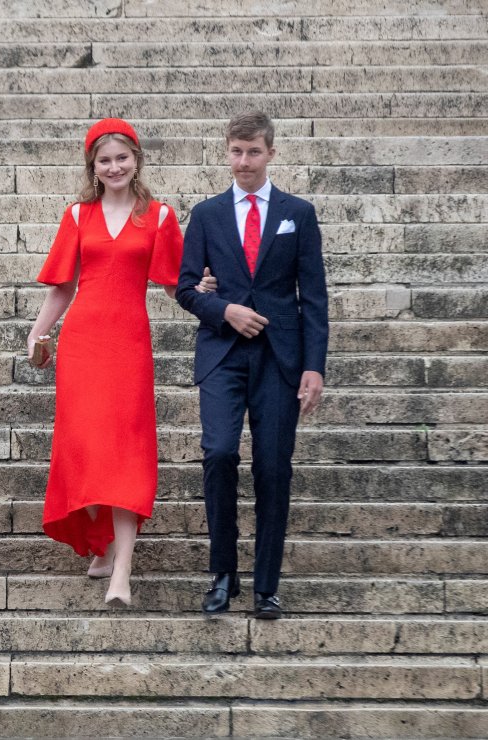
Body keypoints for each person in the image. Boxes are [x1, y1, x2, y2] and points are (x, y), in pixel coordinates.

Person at [176, 111, 329, 619]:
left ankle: (267, 585)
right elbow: (185, 289)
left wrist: (314, 367)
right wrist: (224, 310)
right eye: (236, 151)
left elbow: (315, 297)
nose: (244, 161)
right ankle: (223, 574)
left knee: (273, 466)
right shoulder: (206, 214)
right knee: (219, 453)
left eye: (254, 152)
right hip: (222, 354)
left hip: (280, 358)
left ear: (271, 153)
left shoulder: (297, 213)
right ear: (227, 152)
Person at [27, 118, 186, 607]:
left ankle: (122, 569)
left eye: (122, 158)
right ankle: (101, 541)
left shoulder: (159, 216)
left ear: (136, 160)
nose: (114, 167)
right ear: (92, 167)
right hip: (83, 344)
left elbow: (174, 284)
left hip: (129, 345)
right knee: (88, 448)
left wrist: (210, 292)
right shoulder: (78, 215)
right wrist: (37, 332)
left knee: (125, 453)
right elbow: (63, 287)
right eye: (105, 160)